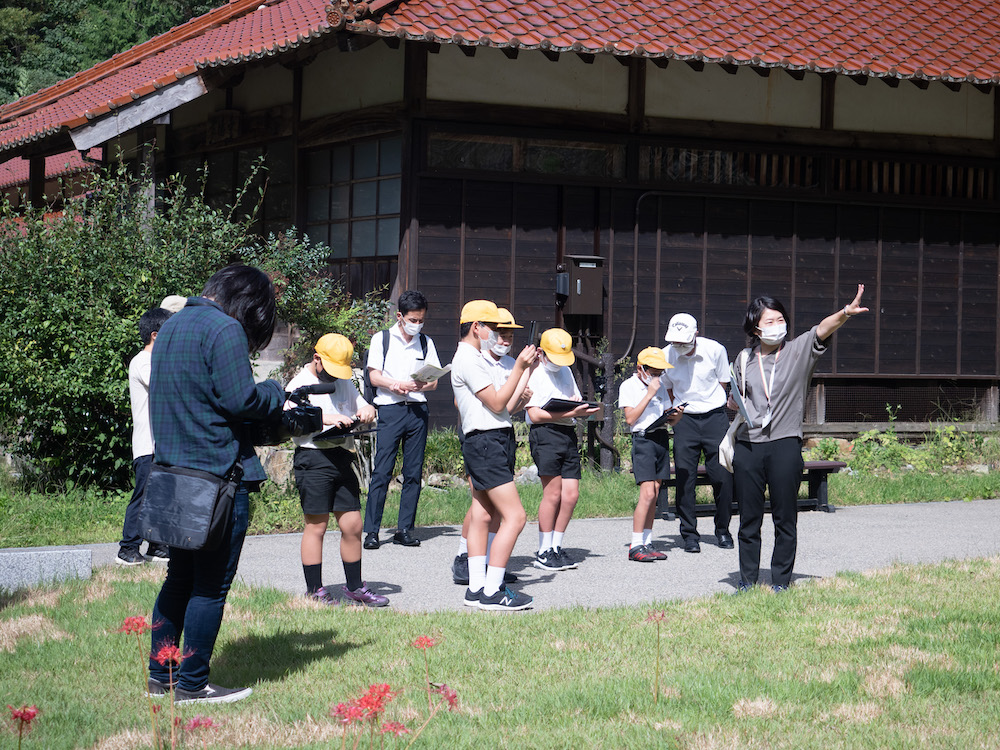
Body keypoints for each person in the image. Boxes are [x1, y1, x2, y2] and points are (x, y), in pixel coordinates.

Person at [147, 264, 286, 705]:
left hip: (173, 475)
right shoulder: (224, 329)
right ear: (247, 303)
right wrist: (276, 391)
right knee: (210, 587)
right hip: (218, 480)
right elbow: (241, 399)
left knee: (178, 579)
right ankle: (192, 685)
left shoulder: (172, 326)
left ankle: (160, 677)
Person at [731, 284, 869, 592]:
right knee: (749, 519)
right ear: (755, 328)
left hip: (785, 443)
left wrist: (846, 313)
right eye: (770, 321)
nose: (777, 325)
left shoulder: (797, 351)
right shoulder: (744, 359)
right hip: (748, 445)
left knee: (785, 517)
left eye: (781, 319)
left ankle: (781, 581)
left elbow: (822, 329)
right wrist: (733, 402)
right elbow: (739, 398)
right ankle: (747, 581)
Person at [285, 334, 386, 607]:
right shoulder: (299, 385)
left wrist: (367, 410)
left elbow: (361, 403)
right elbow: (289, 418)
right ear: (316, 359)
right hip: (312, 458)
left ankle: (355, 587)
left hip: (341, 455)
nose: (334, 377)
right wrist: (328, 418)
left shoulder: (342, 381)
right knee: (316, 525)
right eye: (330, 370)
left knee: (353, 524)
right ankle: (314, 590)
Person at [451, 300, 536, 610]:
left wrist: (523, 372)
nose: (498, 334)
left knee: (483, 514)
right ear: (477, 327)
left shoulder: (472, 357)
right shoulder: (469, 359)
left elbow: (503, 407)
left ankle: (476, 588)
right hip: (486, 442)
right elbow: (499, 404)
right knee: (516, 517)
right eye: (492, 327)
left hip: (488, 439)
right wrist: (520, 368)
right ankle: (492, 590)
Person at [363, 290, 442, 549]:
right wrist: (394, 384)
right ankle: (372, 531)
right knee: (382, 471)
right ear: (400, 316)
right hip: (391, 409)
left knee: (413, 472)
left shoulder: (426, 342)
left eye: (421, 320)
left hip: (417, 411)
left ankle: (405, 528)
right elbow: (374, 376)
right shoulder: (382, 339)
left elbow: (434, 381)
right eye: (412, 320)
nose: (417, 325)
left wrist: (419, 385)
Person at [525, 328, 599, 571]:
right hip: (545, 434)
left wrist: (579, 408)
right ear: (540, 353)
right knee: (553, 493)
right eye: (554, 358)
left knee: (571, 494)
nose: (558, 364)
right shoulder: (534, 374)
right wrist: (571, 412)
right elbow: (535, 415)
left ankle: (556, 546)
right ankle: (543, 550)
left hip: (567, 433)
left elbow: (573, 398)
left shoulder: (565, 370)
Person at [662, 313, 734, 553]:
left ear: (696, 334)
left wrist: (710, 404)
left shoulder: (715, 350)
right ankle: (689, 534)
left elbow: (723, 382)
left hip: (715, 416)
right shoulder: (666, 354)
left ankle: (722, 529)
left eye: (683, 341)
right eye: (675, 341)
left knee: (722, 476)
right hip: (685, 419)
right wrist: (677, 413)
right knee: (685, 478)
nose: (679, 345)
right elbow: (669, 390)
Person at [116, 307, 174, 566]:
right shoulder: (143, 361)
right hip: (147, 444)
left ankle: (157, 546)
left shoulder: (156, 362)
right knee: (143, 496)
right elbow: (165, 388)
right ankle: (127, 548)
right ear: (155, 335)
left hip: (161, 444)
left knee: (160, 497)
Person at [618, 347, 679, 562]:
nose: (657, 376)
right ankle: (635, 545)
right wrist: (650, 393)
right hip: (643, 440)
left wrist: (676, 415)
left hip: (660, 437)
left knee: (655, 491)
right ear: (640, 369)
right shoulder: (629, 386)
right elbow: (630, 419)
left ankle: (647, 540)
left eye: (660, 372)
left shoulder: (659, 386)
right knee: (646, 493)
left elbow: (668, 416)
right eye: (653, 372)